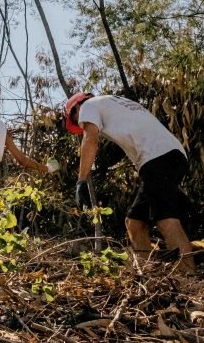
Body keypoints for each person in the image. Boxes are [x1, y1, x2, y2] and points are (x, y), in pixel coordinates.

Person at [63, 92, 194, 271]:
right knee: (134, 223)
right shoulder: (114, 102)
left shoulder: (88, 106)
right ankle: (147, 273)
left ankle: (189, 277)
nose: (80, 122)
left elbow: (90, 139)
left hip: (157, 158)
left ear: (76, 108)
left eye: (76, 118)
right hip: (168, 156)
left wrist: (81, 181)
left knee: (165, 220)